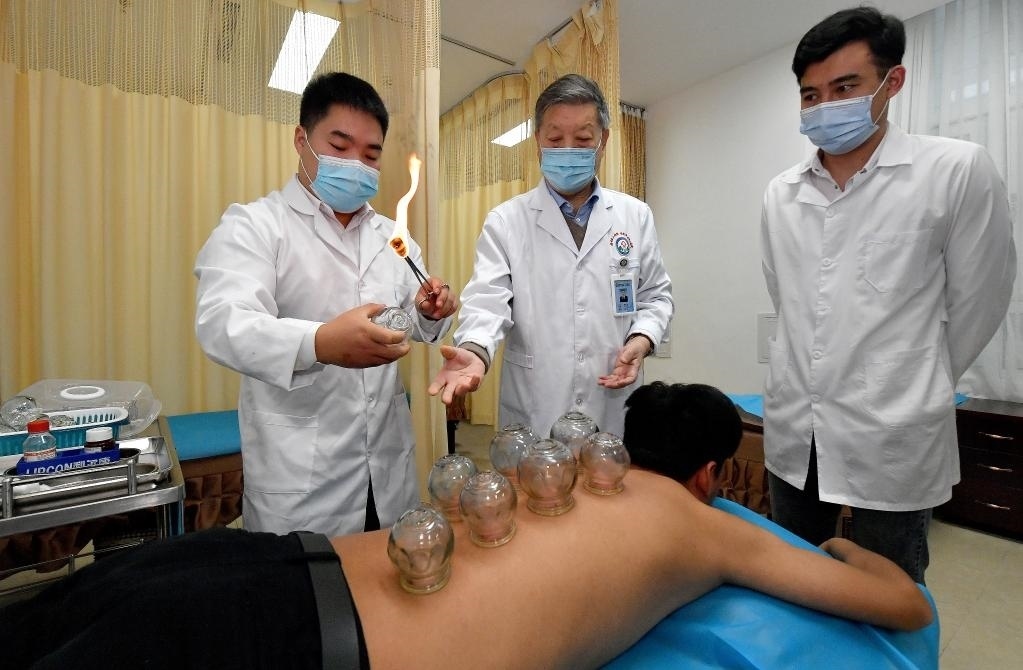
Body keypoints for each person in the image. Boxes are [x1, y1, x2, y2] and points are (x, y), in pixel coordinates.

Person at [1, 383, 933, 670]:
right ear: (708, 476)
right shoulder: (711, 528)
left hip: (253, 563)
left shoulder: (565, 470)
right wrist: (840, 542)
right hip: (287, 643)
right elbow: (903, 606)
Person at [760, 7, 1016, 584]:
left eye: (845, 87)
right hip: (797, 426)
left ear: (892, 82)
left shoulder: (954, 170)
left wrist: (915, 381)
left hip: (893, 431)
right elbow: (787, 299)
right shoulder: (781, 193)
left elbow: (982, 299)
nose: (825, 106)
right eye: (810, 95)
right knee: (792, 579)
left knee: (891, 591)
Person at [194, 72, 457, 537]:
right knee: (307, 581)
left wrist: (427, 312)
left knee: (387, 574)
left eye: (370, 154)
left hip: (387, 471)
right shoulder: (256, 226)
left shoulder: (392, 237)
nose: (356, 163)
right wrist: (319, 343)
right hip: (302, 481)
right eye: (339, 146)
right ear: (302, 140)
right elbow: (223, 322)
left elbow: (411, 320)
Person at [428, 74, 673, 438]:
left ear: (603, 141)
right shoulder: (506, 221)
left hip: (611, 407)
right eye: (555, 139)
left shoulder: (635, 216)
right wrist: (475, 350)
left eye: (583, 139)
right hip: (535, 409)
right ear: (538, 142)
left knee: (608, 471)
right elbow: (487, 302)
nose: (568, 150)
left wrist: (641, 339)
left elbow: (656, 297)